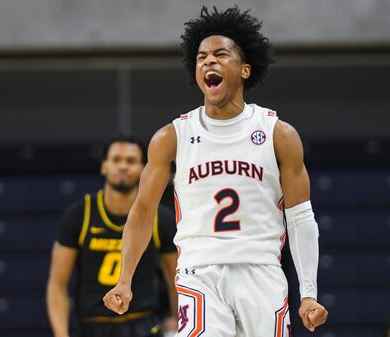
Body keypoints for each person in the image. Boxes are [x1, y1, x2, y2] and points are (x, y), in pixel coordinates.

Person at [104, 6, 328, 337]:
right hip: (199, 271)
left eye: (220, 54)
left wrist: (308, 293)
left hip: (261, 270)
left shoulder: (278, 134)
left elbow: (299, 218)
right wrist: (124, 279)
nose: (209, 61)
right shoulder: (172, 137)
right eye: (201, 57)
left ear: (245, 69)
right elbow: (142, 211)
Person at [47, 135, 178, 337]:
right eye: (116, 160)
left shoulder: (161, 218)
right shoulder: (80, 215)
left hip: (143, 325)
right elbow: (58, 284)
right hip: (92, 325)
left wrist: (180, 321)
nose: (123, 166)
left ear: (144, 169)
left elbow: (175, 280)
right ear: (104, 166)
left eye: (131, 161)